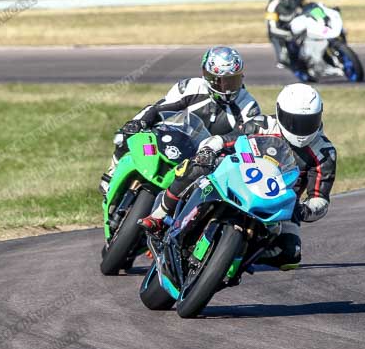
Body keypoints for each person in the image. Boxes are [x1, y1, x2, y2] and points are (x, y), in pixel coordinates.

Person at [138, 83, 336, 270]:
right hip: (238, 178)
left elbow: (320, 197)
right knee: (196, 168)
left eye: (308, 122)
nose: (300, 129)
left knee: (291, 255)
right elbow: (227, 139)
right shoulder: (262, 124)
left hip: (279, 207)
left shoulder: (324, 152)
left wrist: (305, 210)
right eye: (294, 121)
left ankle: (234, 259)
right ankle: (159, 215)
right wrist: (208, 151)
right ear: (279, 113)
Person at [99, 46, 261, 195]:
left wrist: (221, 148)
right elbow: (157, 108)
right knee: (127, 132)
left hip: (210, 160)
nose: (227, 88)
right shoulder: (191, 87)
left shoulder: (247, 105)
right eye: (221, 81)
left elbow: (249, 139)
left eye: (233, 80)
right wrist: (139, 122)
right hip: (178, 141)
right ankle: (112, 171)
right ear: (207, 76)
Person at [266, 0, 307, 68]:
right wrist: (287, 34)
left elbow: (308, 6)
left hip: (297, 27)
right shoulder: (273, 5)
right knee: (284, 61)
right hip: (279, 32)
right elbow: (272, 28)